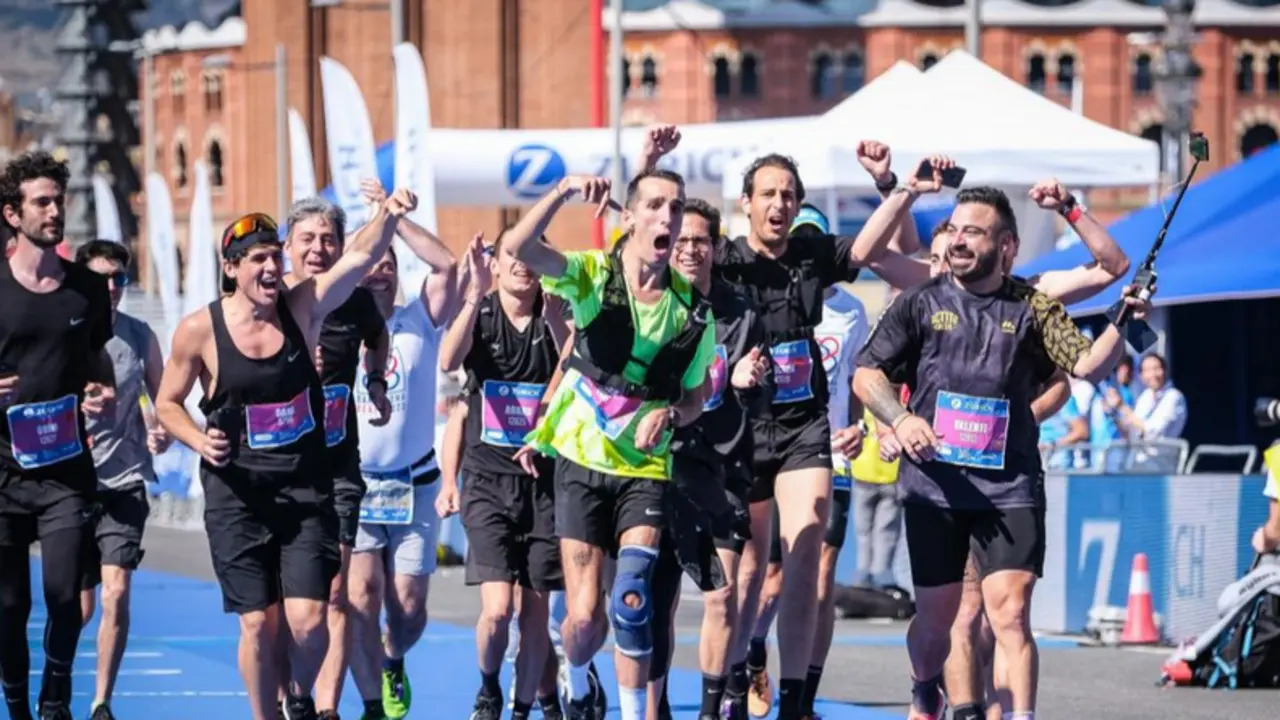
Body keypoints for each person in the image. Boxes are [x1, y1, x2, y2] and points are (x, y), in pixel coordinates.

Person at [853, 184, 1151, 720]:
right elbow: (867, 375)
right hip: (936, 487)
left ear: (1006, 245)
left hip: (1009, 486)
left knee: (1010, 614)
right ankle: (925, 685)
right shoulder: (922, 302)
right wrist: (900, 418)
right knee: (939, 623)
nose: (960, 241)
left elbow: (1086, 367)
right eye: (956, 230)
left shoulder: (1032, 304)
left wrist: (1121, 320)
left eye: (974, 231)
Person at [154, 190, 413, 720]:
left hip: (303, 489)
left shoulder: (303, 308)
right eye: (259, 259)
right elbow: (167, 403)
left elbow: (361, 257)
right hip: (238, 495)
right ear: (232, 269)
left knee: (310, 621)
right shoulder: (199, 330)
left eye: (276, 255)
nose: (272, 267)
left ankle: (297, 694)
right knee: (257, 623)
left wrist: (388, 216)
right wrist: (199, 439)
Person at [716, 144, 938, 720]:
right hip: (744, 432)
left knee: (808, 550)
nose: (779, 204)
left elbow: (867, 250)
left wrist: (903, 189)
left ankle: (795, 699)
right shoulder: (726, 260)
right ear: (747, 203)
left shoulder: (813, 253)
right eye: (768, 194)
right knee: (746, 574)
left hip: (805, 426)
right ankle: (737, 678)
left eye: (789, 195)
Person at [505, 169, 716, 720]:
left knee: (632, 598)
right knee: (581, 620)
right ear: (631, 218)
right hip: (579, 459)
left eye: (675, 207)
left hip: (645, 466)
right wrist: (561, 194)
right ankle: (579, 679)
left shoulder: (693, 312)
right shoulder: (592, 275)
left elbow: (696, 396)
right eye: (654, 206)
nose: (666, 217)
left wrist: (670, 413)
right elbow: (519, 247)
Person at [736, 203, 872, 720]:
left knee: (820, 574)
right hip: (773, 446)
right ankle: (752, 653)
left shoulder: (853, 311)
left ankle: (804, 695)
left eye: (816, 239)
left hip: (830, 449)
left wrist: (860, 425)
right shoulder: (767, 293)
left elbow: (857, 378)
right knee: (768, 577)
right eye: (800, 239)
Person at [435, 229, 570, 720]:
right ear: (495, 264)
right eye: (513, 254)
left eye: (534, 255)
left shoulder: (556, 315)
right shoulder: (483, 313)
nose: (523, 264)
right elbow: (449, 363)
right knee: (498, 610)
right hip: (488, 484)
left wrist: (558, 324)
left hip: (546, 485)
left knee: (536, 613)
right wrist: (449, 483)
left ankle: (520, 708)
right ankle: (489, 686)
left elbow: (574, 367)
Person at [0, 151, 116, 720]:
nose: (53, 211)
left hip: (66, 468)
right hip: (1, 471)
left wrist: (103, 389)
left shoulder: (86, 290)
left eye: (57, 200)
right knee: (8, 606)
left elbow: (96, 356)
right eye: (41, 202)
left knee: (67, 595)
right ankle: (16, 703)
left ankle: (55, 698)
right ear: (12, 214)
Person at [643, 198, 769, 720]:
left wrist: (747, 383)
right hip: (660, 468)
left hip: (722, 469)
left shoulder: (741, 312)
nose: (691, 249)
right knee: (657, 603)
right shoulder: (648, 304)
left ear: (717, 247)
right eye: (682, 240)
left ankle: (713, 707)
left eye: (701, 241)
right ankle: (654, 707)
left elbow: (763, 399)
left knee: (722, 596)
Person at [343, 180, 460, 720]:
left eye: (387, 262)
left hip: (414, 484)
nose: (379, 270)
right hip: (360, 485)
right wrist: (372, 232)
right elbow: (345, 263)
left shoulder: (419, 319)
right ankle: (372, 704)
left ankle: (393, 658)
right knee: (360, 597)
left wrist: (395, 218)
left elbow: (447, 266)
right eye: (372, 262)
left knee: (408, 609)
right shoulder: (338, 328)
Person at [276, 196, 393, 720]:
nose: (319, 249)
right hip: (277, 472)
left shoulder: (357, 302)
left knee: (337, 593)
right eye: (308, 239)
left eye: (328, 240)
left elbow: (378, 334)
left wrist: (373, 379)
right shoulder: (269, 302)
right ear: (288, 249)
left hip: (339, 466)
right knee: (285, 604)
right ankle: (287, 696)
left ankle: (325, 709)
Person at [74, 240, 172, 720]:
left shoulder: (141, 336)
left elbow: (165, 402)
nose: (111, 288)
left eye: (119, 279)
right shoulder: (62, 333)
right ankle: (55, 687)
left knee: (116, 593)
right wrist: (76, 404)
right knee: (79, 608)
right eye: (100, 279)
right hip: (69, 485)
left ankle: (101, 703)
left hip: (125, 481)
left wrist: (162, 433)